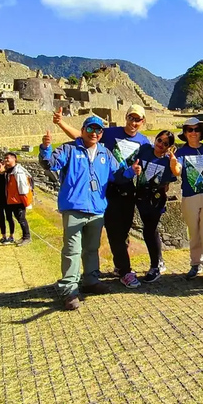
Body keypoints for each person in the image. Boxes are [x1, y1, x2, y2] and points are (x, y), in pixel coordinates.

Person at [39, 117, 137, 310]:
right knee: (72, 250)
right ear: (83, 130)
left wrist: (131, 172)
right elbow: (50, 164)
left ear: (101, 134)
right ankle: (69, 290)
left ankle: (91, 280)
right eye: (90, 129)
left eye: (98, 131)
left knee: (92, 248)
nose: (94, 133)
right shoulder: (69, 150)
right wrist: (46, 148)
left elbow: (116, 175)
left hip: (97, 209)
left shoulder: (105, 153)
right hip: (74, 208)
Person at [53, 104, 150, 289]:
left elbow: (154, 159)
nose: (134, 122)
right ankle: (123, 270)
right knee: (110, 236)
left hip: (127, 190)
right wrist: (61, 123)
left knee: (121, 234)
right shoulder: (110, 133)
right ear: (126, 117)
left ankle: (116, 268)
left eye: (138, 119)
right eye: (131, 117)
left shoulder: (145, 143)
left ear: (143, 121)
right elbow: (83, 135)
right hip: (106, 191)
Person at [171, 118, 203, 282]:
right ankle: (195, 263)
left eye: (196, 130)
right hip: (190, 196)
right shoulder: (181, 153)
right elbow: (177, 170)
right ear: (185, 133)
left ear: (201, 132)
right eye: (189, 130)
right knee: (194, 232)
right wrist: (174, 164)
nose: (193, 133)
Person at [134, 130, 178, 283]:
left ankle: (155, 266)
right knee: (150, 229)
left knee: (149, 229)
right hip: (141, 197)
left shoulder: (168, 161)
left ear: (169, 147)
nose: (161, 145)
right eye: (159, 140)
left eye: (166, 144)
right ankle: (159, 260)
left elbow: (170, 180)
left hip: (156, 199)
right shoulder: (145, 150)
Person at [3, 152, 33, 246]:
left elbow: (23, 187)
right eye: (5, 158)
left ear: (14, 159)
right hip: (12, 199)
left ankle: (27, 237)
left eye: (8, 158)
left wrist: (25, 201)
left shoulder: (18, 171)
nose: (6, 160)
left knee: (21, 219)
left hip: (19, 200)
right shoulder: (10, 171)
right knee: (19, 218)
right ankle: (24, 237)